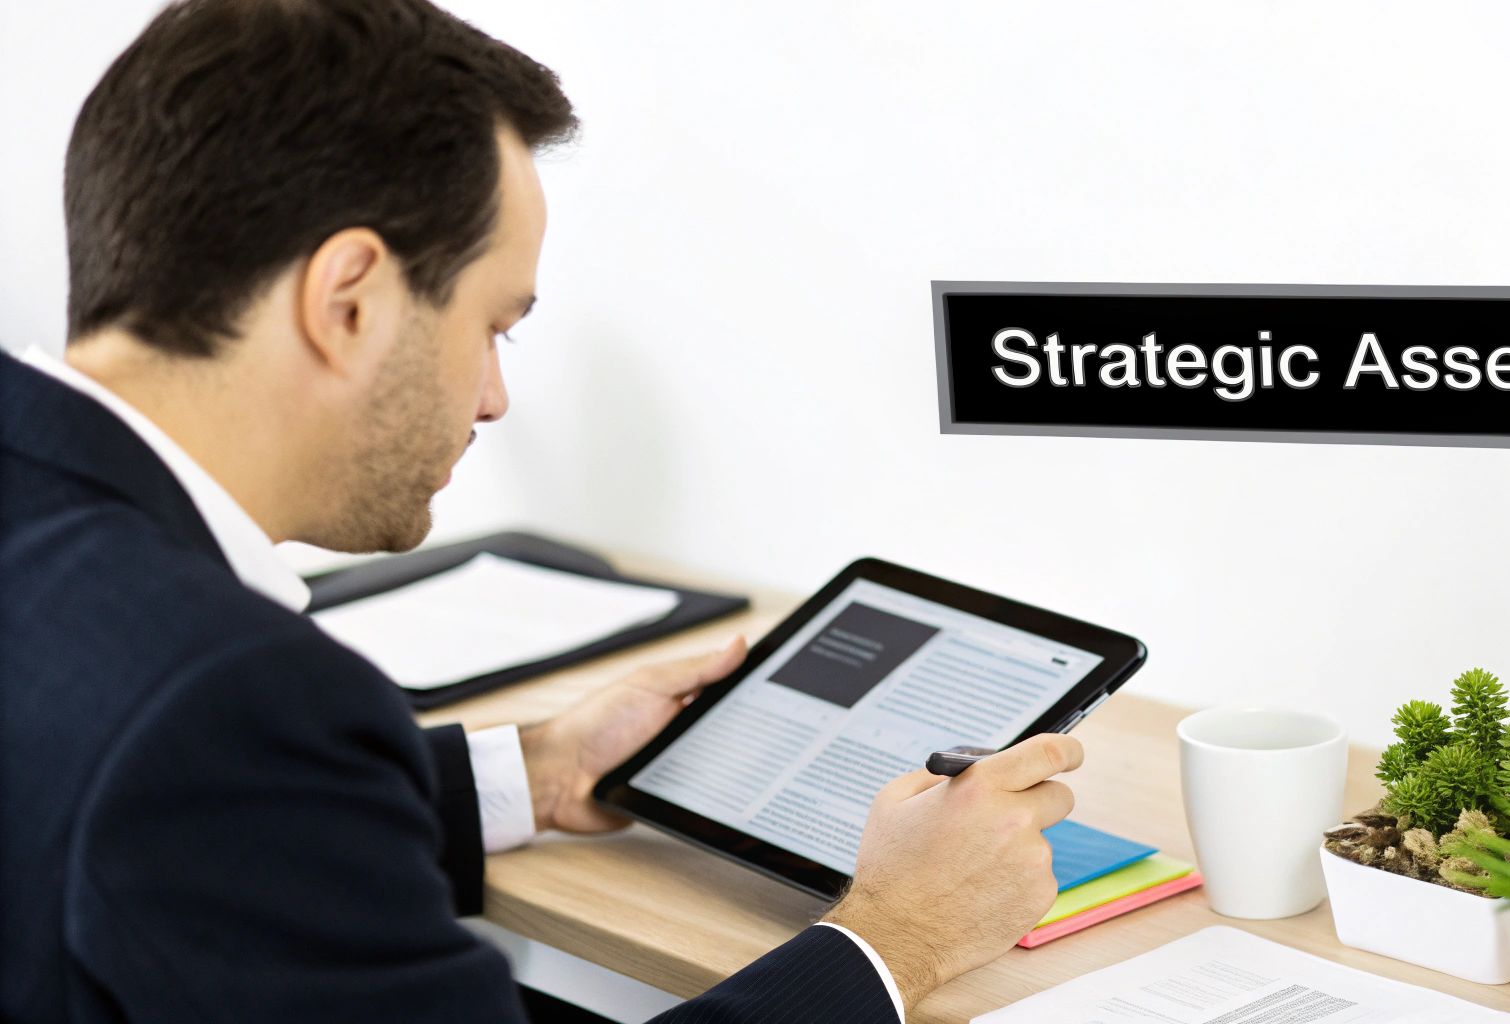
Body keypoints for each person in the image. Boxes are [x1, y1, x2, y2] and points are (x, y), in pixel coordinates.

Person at [0, 1, 1081, 1021]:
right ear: (349, 303)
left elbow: (199, 822)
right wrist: (895, 938)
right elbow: (213, 761)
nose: (493, 399)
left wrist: (547, 768)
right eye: (494, 324)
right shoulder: (227, 694)